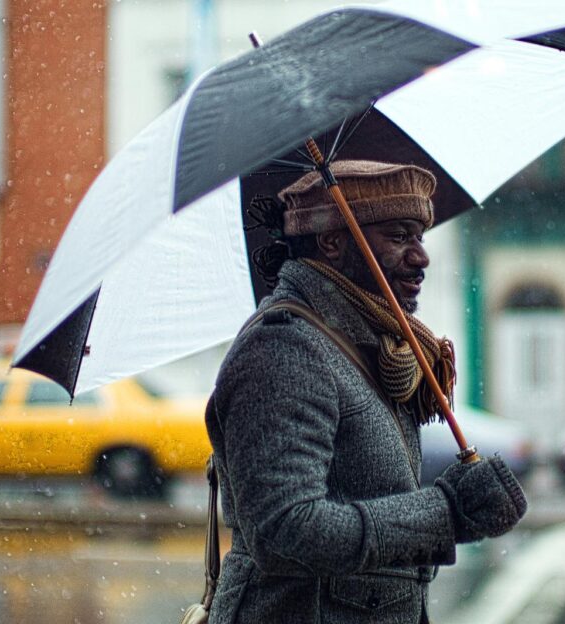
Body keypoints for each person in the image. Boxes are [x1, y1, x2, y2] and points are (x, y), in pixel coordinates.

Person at [204, 159, 527, 624]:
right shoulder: (285, 349)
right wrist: (447, 511)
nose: (421, 256)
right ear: (332, 241)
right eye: (398, 236)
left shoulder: (372, 345)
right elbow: (284, 532)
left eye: (420, 235)